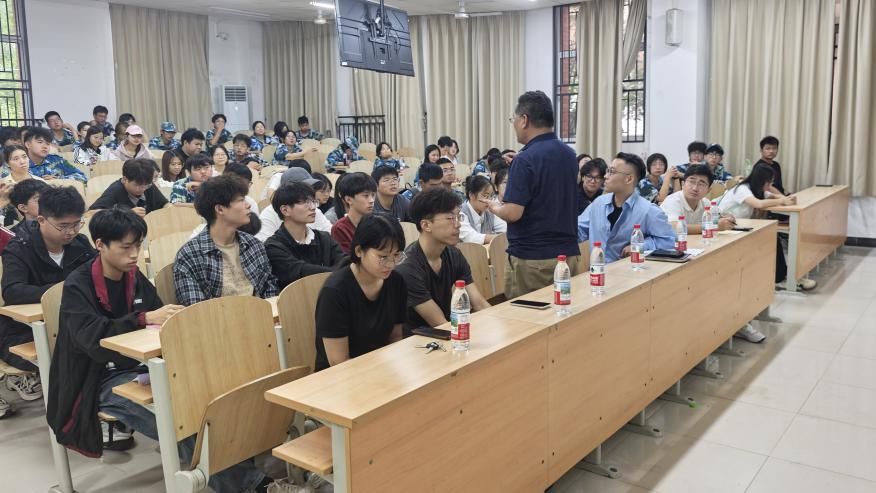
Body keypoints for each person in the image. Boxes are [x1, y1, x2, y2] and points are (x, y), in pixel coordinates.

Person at [47, 208, 273, 491]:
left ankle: (239, 471)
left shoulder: (133, 276)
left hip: (145, 366)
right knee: (179, 419)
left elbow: (159, 320)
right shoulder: (79, 285)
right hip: (98, 379)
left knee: (216, 396)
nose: (134, 254)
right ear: (100, 245)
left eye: (138, 245)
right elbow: (92, 339)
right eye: (126, 247)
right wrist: (142, 319)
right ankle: (251, 485)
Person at [1, 186, 95, 418]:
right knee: (81, 357)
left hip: (73, 324)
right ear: (41, 220)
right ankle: (80, 418)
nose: (71, 232)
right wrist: (64, 291)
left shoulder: (80, 244)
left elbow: (97, 276)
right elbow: (13, 291)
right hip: (24, 333)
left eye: (76, 224)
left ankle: (96, 410)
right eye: (63, 226)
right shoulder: (19, 248)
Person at [486, 91, 582, 298]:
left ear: (524, 120)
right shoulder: (569, 154)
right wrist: (521, 163)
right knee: (563, 313)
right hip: (568, 255)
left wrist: (494, 207)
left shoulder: (525, 160)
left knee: (528, 317)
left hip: (534, 260)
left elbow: (512, 213)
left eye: (513, 119)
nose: (513, 124)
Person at [314, 213, 405, 370]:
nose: (391, 264)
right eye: (383, 257)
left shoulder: (396, 281)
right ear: (359, 251)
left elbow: (396, 338)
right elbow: (338, 362)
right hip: (341, 377)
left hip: (382, 368)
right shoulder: (335, 292)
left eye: (396, 255)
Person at [396, 188, 491, 336]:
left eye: (458, 217)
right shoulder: (407, 268)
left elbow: (479, 303)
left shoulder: (454, 254)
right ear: (426, 225)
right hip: (420, 341)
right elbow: (439, 323)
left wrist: (498, 324)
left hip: (448, 331)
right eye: (450, 218)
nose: (458, 225)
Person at [174, 175, 277, 306]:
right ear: (220, 209)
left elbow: (270, 287)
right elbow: (197, 309)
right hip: (219, 318)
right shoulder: (189, 255)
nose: (248, 205)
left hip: (261, 314)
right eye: (241, 200)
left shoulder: (253, 244)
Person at [716, 163, 814, 293]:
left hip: (741, 226)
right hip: (727, 226)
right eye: (768, 183)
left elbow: (773, 196)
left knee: (772, 237)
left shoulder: (756, 189)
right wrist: (782, 201)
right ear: (760, 180)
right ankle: (782, 278)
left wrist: (787, 198)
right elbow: (758, 204)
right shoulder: (742, 189)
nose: (769, 187)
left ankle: (783, 276)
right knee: (771, 238)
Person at [577, 153, 676, 263]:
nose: (605, 176)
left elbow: (669, 241)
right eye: (607, 171)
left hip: (629, 271)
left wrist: (640, 245)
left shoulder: (648, 210)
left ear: (629, 179)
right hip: (597, 270)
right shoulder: (598, 203)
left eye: (612, 172)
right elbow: (579, 229)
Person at [265, 183, 346, 290]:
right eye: (305, 203)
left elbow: (345, 262)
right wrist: (340, 272)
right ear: (285, 210)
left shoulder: (324, 238)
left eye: (313, 201)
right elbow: (300, 271)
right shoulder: (273, 246)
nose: (313, 207)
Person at [255, 167, 333, 241]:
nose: (309, 191)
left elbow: (330, 234)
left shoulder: (314, 210)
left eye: (311, 188)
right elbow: (265, 243)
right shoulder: (269, 214)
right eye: (302, 189)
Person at [661, 164, 736, 234]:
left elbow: (721, 215)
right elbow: (673, 227)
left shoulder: (705, 203)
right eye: (692, 182)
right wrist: (714, 226)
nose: (695, 188)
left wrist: (728, 219)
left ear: (708, 190)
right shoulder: (673, 201)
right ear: (683, 184)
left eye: (701, 184)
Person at [88, 159, 168, 216]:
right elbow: (89, 214)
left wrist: (171, 207)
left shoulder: (148, 184)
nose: (143, 189)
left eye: (146, 185)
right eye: (137, 185)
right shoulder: (115, 190)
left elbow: (164, 204)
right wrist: (125, 213)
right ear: (125, 179)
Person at [331, 172, 376, 254]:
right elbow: (347, 258)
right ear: (348, 199)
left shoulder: (378, 222)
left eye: (373, 195)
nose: (371, 200)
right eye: (366, 196)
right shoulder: (340, 229)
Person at [459, 175, 507, 245]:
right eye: (485, 196)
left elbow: (504, 229)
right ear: (471, 195)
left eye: (491, 196)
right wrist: (498, 238)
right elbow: (471, 237)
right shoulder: (460, 213)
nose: (489, 200)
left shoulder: (489, 211)